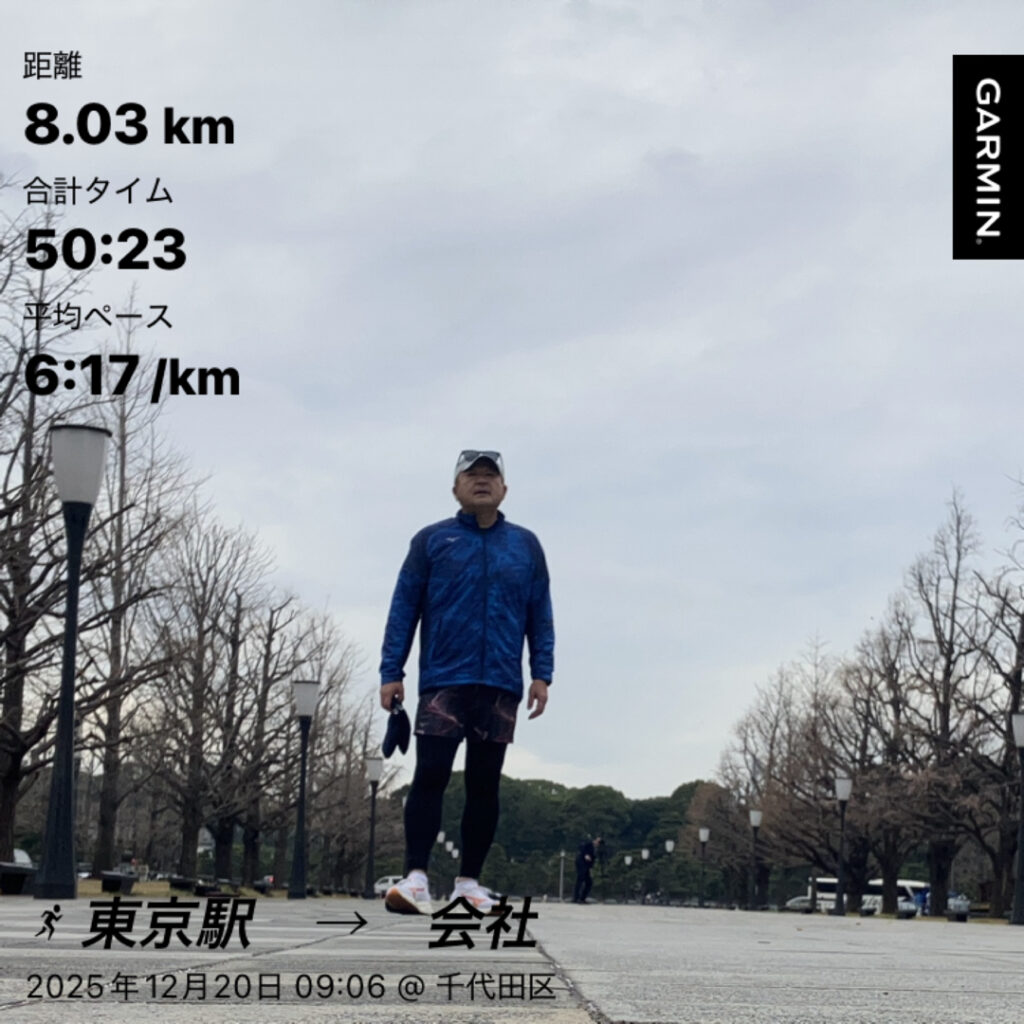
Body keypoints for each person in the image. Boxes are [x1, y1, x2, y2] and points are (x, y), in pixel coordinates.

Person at [379, 450, 554, 915]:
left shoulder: (526, 545)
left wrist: (542, 673)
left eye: (490, 475)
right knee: (430, 775)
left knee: (484, 784)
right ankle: (415, 877)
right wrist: (391, 671)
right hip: (443, 679)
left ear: (504, 489)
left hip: (500, 682)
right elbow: (404, 606)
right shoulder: (431, 541)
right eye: (471, 475)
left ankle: (469, 883)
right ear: (455, 488)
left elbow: (540, 611)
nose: (481, 481)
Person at [573, 836, 602, 903]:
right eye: (597, 841)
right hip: (581, 863)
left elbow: (593, 860)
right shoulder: (588, 843)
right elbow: (581, 847)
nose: (598, 843)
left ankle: (582, 898)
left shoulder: (596, 849)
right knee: (580, 879)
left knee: (589, 882)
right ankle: (576, 898)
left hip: (587, 866)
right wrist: (585, 854)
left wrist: (591, 868)